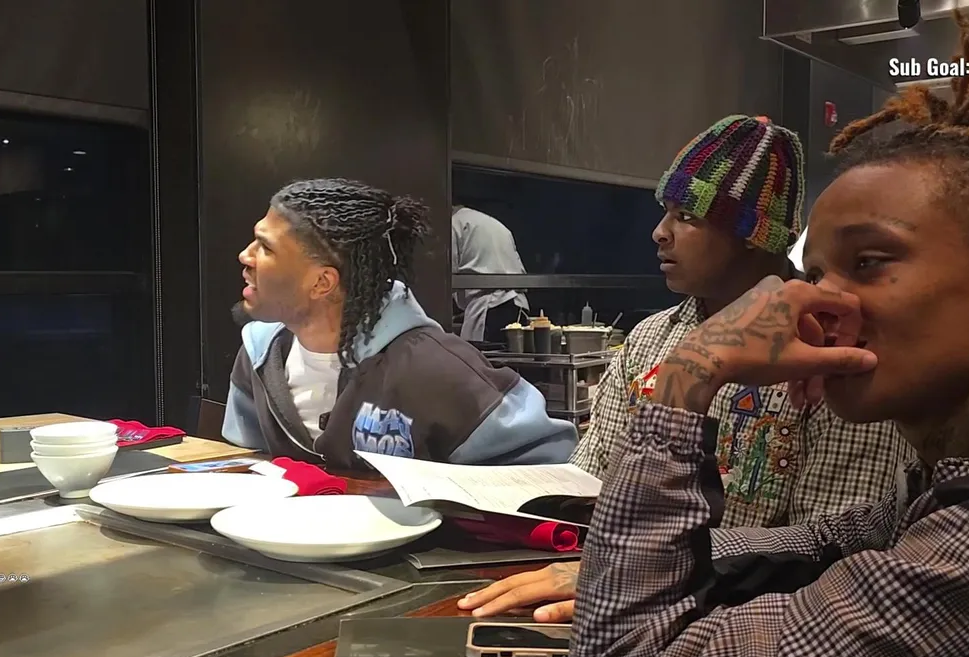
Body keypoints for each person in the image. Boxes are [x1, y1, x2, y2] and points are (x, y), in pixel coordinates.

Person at [564, 13, 969, 657]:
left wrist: (685, 376)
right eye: (818, 274)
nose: (822, 304)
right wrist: (612, 569)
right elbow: (837, 540)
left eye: (870, 261)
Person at [459, 115, 912, 622]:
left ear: (753, 234)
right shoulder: (648, 340)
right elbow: (593, 485)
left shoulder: (829, 352)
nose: (660, 232)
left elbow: (831, 549)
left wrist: (637, 569)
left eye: (687, 216)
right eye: (665, 212)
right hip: (616, 589)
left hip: (745, 619)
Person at [222, 178, 578, 470]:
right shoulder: (260, 353)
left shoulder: (432, 367)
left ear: (322, 283)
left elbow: (548, 467)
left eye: (265, 247)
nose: (245, 255)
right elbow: (247, 462)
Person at [451, 204, 530, 342]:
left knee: (481, 355)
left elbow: (446, 276)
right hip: (518, 306)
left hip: (489, 308)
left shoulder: (453, 224)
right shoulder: (497, 225)